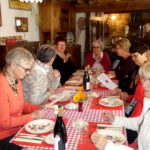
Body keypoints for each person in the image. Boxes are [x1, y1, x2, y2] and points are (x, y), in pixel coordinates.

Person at [94, 62, 150, 150]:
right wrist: (115, 119)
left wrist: (107, 146)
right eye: (144, 79)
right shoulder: (148, 102)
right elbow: (139, 123)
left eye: (149, 80)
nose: (144, 85)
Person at [0, 47, 41, 150]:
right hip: (3, 138)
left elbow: (21, 105)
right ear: (13, 65)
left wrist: (38, 108)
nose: (28, 73)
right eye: (26, 69)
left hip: (17, 131)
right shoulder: (1, 85)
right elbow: (5, 123)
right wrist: (31, 117)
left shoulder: (16, 80)